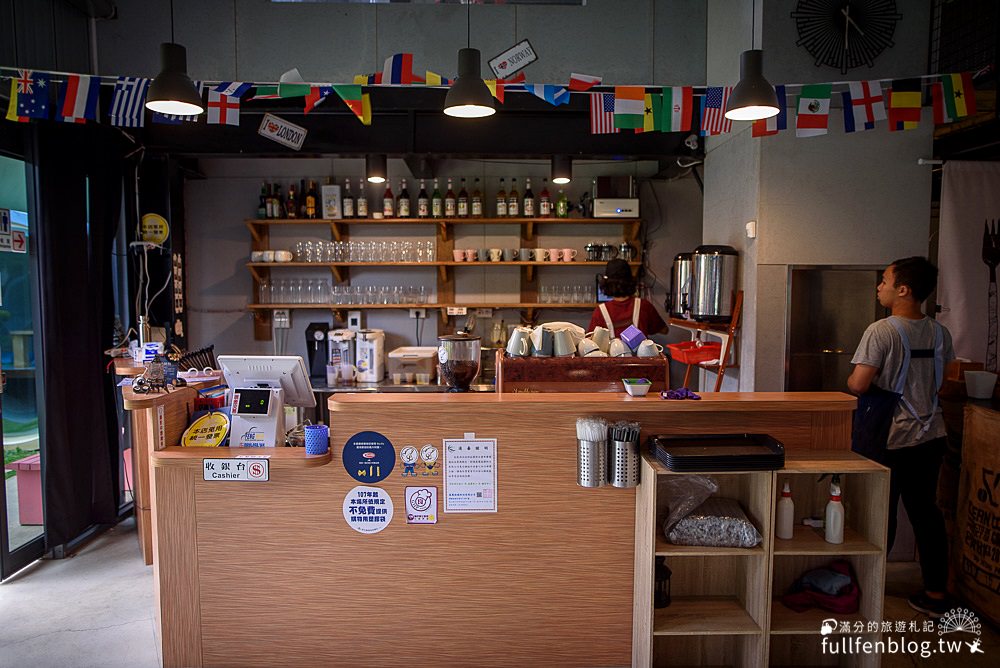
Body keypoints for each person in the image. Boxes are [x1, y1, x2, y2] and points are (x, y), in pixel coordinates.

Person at [847, 257, 955, 618]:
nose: (880, 287)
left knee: (881, 514)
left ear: (903, 290)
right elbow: (938, 382)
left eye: (884, 281)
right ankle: (937, 594)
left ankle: (870, 590)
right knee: (926, 513)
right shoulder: (940, 333)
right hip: (932, 435)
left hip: (891, 436)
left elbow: (859, 384)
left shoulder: (882, 331)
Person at [588, 259, 668, 337]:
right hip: (641, 351)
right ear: (631, 281)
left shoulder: (600, 312)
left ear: (606, 284)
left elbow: (591, 339)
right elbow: (664, 330)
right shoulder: (644, 306)